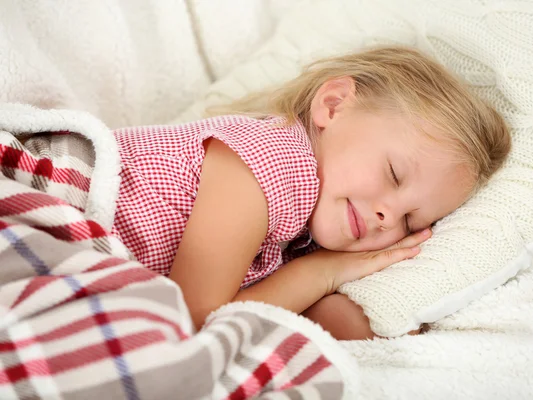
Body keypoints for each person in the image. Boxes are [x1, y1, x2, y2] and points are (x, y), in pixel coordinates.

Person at [111, 46, 511, 340]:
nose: (388, 216)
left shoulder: (302, 233)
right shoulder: (274, 159)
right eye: (392, 174)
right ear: (333, 106)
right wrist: (321, 273)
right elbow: (195, 320)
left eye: (411, 221)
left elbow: (296, 314)